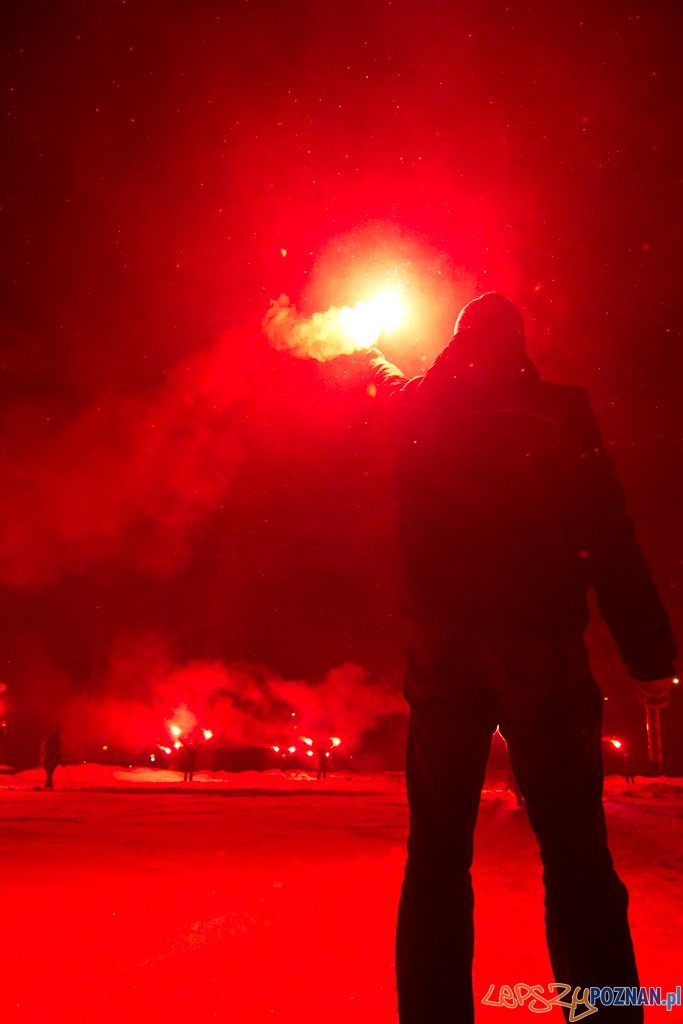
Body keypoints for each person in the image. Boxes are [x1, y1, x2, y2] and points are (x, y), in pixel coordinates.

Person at [366, 293, 677, 1023]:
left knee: (436, 855)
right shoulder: (560, 411)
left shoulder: (415, 408)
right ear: (519, 348)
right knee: (575, 856)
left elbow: (380, 378)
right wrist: (649, 654)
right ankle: (602, 1013)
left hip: (443, 651)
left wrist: (370, 347)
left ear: (453, 345)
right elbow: (608, 530)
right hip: (539, 646)